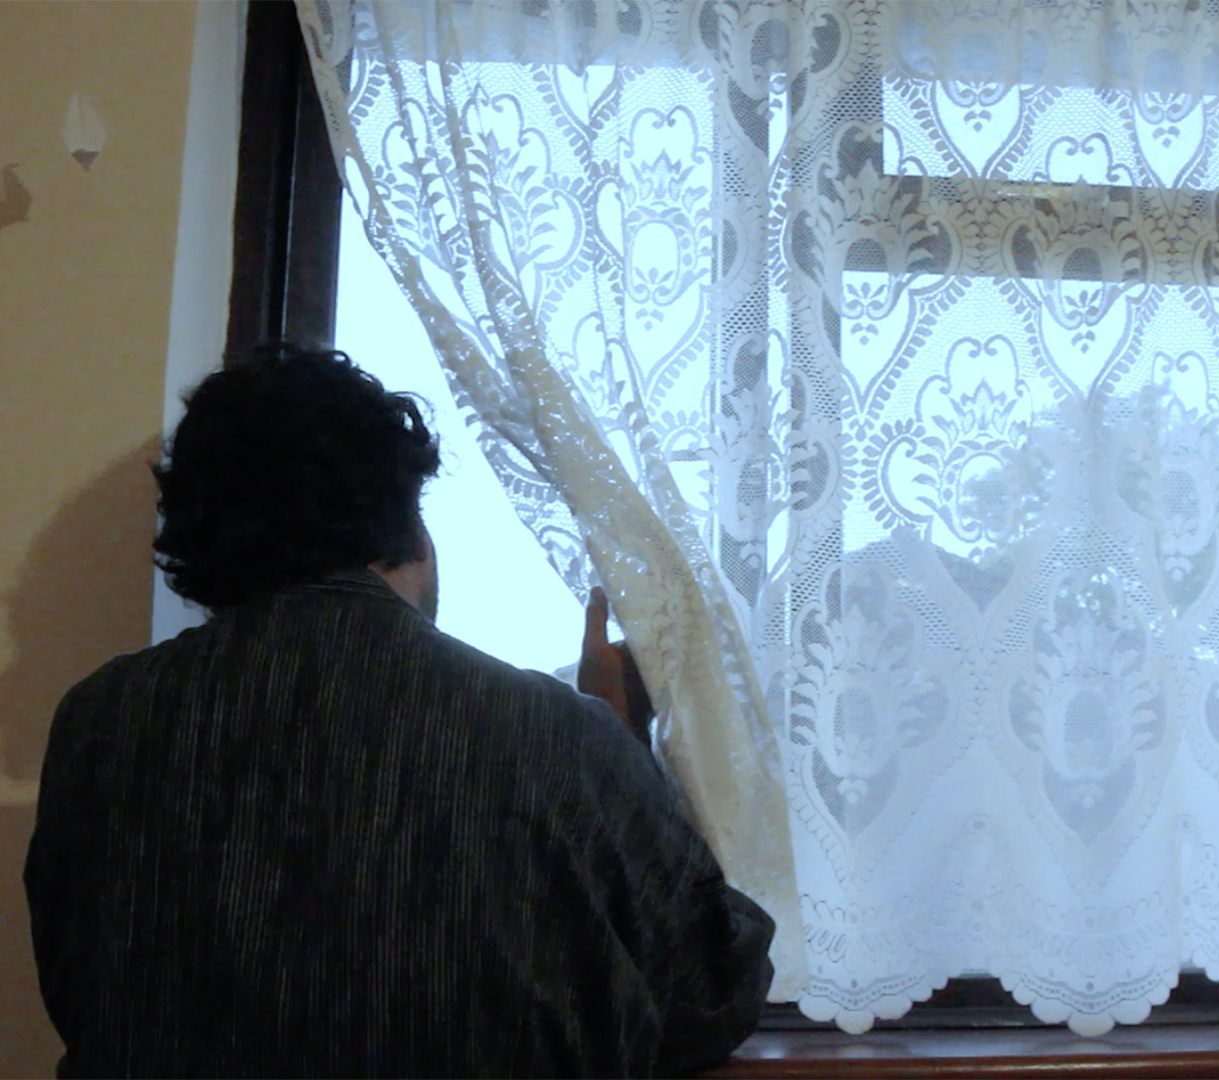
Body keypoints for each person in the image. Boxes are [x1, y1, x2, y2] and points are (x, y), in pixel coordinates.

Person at [25, 345, 774, 1078]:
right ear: (408, 525)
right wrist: (622, 735)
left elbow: (80, 987)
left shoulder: (102, 722)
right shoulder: (556, 736)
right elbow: (707, 997)